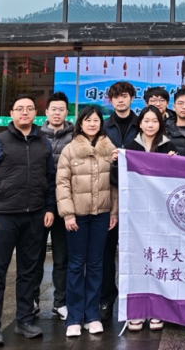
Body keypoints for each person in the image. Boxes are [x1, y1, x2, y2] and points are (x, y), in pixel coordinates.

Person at [0, 95, 57, 347]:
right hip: (5, 215)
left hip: (34, 216)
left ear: (35, 114)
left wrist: (49, 208)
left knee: (29, 272)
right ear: (11, 113)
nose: (24, 112)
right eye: (19, 109)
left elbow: (50, 179)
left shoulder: (43, 142)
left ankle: (24, 320)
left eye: (29, 108)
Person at [57, 107, 119, 338]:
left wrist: (114, 212)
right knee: (75, 264)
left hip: (102, 214)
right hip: (78, 216)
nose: (92, 124)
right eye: (87, 120)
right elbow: (62, 183)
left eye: (96, 120)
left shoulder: (110, 148)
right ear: (80, 123)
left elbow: (114, 184)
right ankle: (74, 317)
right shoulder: (70, 149)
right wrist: (68, 214)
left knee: (95, 264)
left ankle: (92, 315)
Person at [124, 106, 171, 332]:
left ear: (160, 124)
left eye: (155, 121)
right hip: (137, 214)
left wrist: (174, 162)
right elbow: (118, 178)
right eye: (146, 120)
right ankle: (137, 311)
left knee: (160, 261)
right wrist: (116, 162)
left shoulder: (169, 146)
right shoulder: (130, 147)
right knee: (137, 261)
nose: (150, 124)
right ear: (140, 123)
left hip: (162, 216)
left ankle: (157, 310)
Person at [33, 92, 74, 322]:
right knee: (34, 256)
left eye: (61, 109)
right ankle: (32, 300)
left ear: (67, 112)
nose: (57, 113)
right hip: (39, 205)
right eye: (53, 109)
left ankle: (61, 302)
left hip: (65, 205)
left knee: (62, 256)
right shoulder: (35, 136)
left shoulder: (75, 136)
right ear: (46, 112)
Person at [101, 81, 139, 315]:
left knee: (137, 251)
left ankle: (137, 297)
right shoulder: (103, 126)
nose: (121, 100)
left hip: (138, 196)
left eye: (124, 96)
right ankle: (106, 299)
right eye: (116, 97)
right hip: (109, 195)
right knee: (106, 252)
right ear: (111, 100)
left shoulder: (143, 123)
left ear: (132, 98)